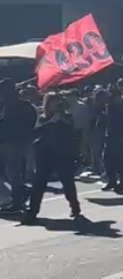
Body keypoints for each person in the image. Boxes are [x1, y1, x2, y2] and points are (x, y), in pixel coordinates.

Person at [21, 94, 81, 224]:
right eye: (53, 102)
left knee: (67, 181)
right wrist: (50, 122)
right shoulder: (43, 118)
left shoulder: (67, 117)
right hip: (45, 154)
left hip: (62, 154)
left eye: (58, 102)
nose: (56, 105)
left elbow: (71, 132)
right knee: (38, 183)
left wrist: (61, 120)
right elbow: (36, 132)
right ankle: (32, 212)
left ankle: (75, 206)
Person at [0, 78, 38, 212]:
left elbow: (29, 121)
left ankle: (17, 201)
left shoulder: (16, 106)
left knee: (13, 172)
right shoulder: (10, 105)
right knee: (9, 172)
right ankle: (21, 191)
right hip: (9, 141)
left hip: (13, 141)